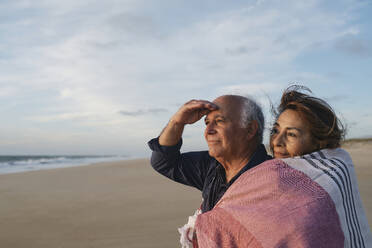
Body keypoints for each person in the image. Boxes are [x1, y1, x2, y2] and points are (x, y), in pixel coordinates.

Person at [194, 86, 372, 248]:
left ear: (318, 141)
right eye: (276, 131)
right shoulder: (266, 176)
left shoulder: (332, 175)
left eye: (291, 134)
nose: (277, 142)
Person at [148, 95, 271, 214]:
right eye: (207, 123)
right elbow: (163, 162)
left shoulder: (275, 181)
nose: (208, 131)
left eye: (219, 121)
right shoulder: (212, 166)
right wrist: (177, 122)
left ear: (250, 130)